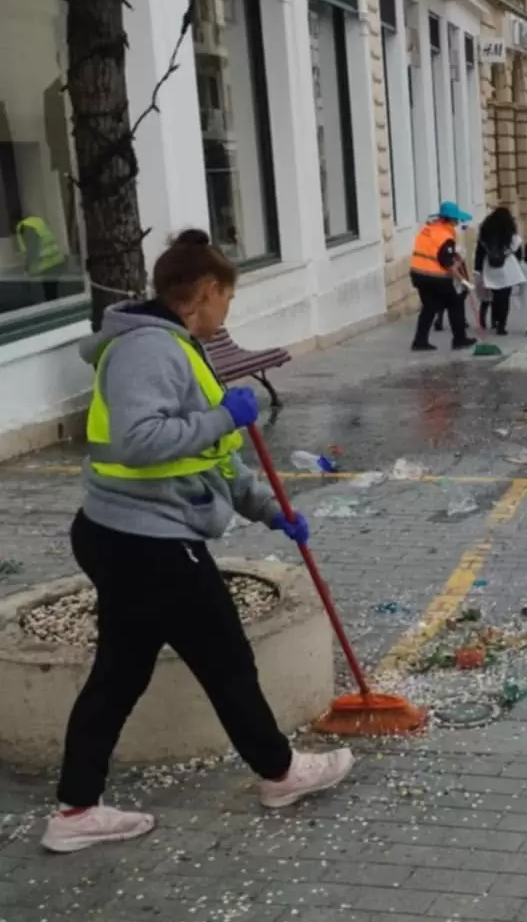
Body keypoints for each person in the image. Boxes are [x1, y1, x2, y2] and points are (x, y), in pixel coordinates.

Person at [42, 231, 354, 854]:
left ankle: (75, 811)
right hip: (145, 540)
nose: (226, 313)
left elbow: (212, 460)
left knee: (120, 671)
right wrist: (223, 416)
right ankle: (281, 773)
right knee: (226, 660)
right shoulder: (147, 351)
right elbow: (140, 441)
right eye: (227, 299)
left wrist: (270, 511)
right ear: (206, 292)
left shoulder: (177, 348)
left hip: (129, 534)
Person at [411, 201, 473, 351]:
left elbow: (433, 251)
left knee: (429, 307)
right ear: (450, 219)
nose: (457, 222)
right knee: (456, 303)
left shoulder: (427, 229)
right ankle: (459, 339)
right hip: (436, 277)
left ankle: (420, 341)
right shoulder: (445, 236)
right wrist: (464, 281)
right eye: (456, 219)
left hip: (418, 274)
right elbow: (448, 265)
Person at [473, 206, 526, 337]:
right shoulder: (511, 234)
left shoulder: (485, 234)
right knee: (505, 298)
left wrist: (478, 269)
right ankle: (502, 325)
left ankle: (494, 320)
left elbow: (479, 253)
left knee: (495, 295)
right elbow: (518, 252)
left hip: (490, 267)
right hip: (507, 268)